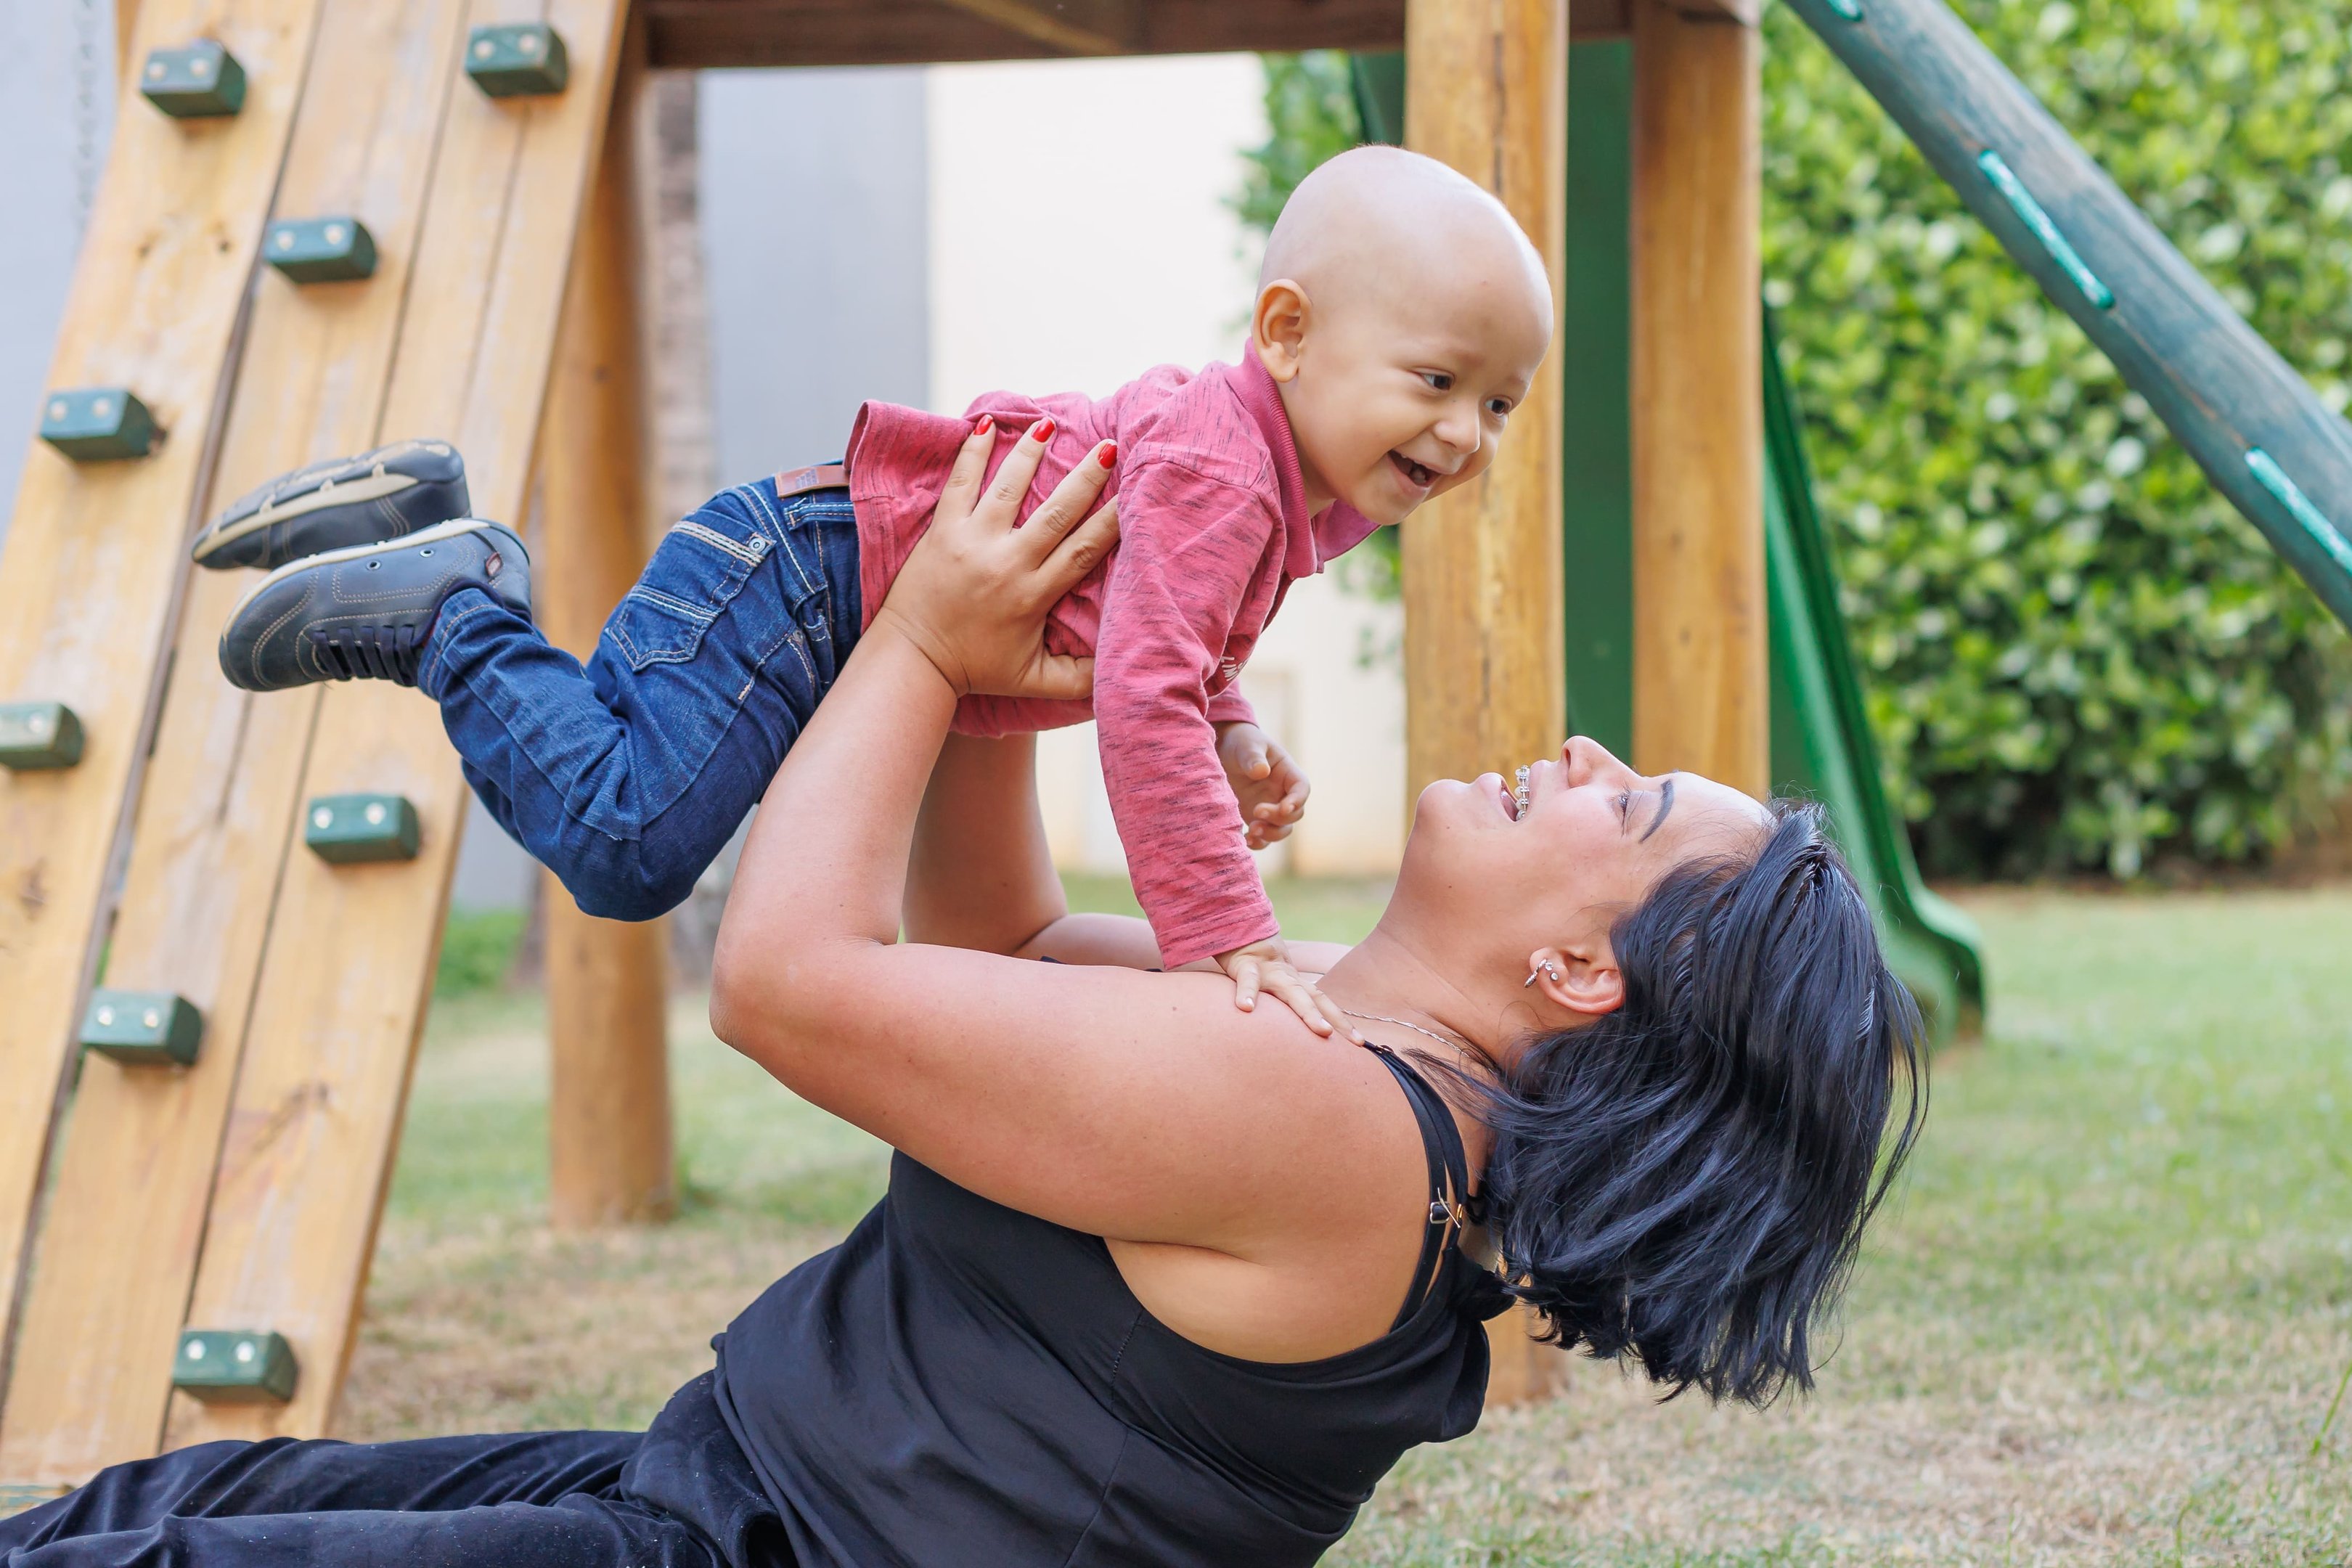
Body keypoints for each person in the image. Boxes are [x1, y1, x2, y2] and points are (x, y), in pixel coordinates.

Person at [1, 422, 1924, 1568]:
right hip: (721, 1496)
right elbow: (1001, 952)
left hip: (755, 1550)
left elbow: (789, 985)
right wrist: (1035, 670)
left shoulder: (1336, 1133)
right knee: (159, 1510)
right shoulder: (1338, 1029)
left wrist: (915, 637)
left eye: (1634, 801)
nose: (1589, 751)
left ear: (1583, 968)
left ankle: (465, 610)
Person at [195, 144, 1555, 1038]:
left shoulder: (1271, 478)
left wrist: (1236, 725)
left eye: (1499, 402)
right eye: (1436, 381)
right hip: (801, 581)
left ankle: (423, 518)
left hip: (813, 579)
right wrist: (1222, 941)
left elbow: (1173, 633)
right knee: (626, 841)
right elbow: (1142, 695)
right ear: (1290, 333)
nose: (1465, 434)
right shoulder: (1230, 472)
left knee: (628, 828)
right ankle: (454, 608)